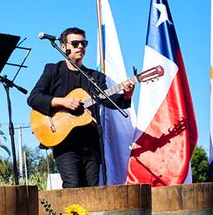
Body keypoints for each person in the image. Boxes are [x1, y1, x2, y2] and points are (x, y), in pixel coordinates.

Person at [27, 27, 135, 188]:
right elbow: (34, 98)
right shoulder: (53, 70)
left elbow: (108, 100)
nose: (80, 47)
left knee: (92, 186)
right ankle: (72, 214)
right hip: (63, 141)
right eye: (75, 43)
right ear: (63, 47)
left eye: (83, 43)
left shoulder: (95, 77)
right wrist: (62, 102)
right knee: (72, 184)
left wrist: (127, 95)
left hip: (90, 141)